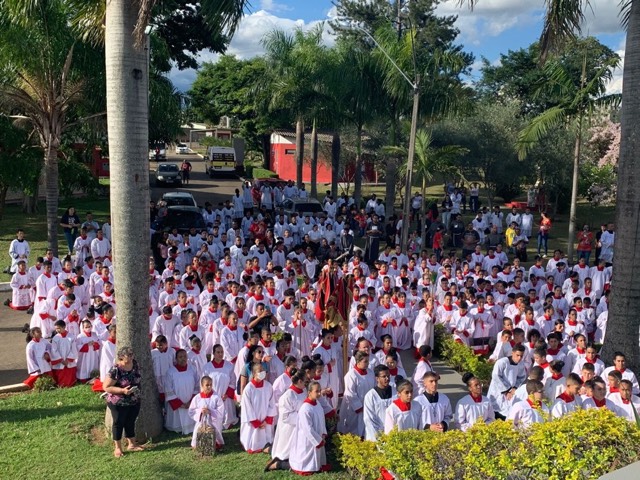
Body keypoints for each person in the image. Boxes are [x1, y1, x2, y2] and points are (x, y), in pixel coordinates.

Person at [103, 346, 144, 457]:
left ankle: (132, 444)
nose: (131, 357)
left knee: (130, 421)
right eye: (128, 356)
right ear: (121, 357)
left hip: (134, 399)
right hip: (118, 402)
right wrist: (122, 390)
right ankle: (118, 447)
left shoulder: (135, 364)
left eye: (132, 355)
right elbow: (106, 387)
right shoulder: (116, 370)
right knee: (118, 423)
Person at [288, 381, 330, 475]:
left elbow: (321, 419)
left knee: (317, 460)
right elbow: (308, 429)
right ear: (309, 392)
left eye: (320, 391)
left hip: (318, 436)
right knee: (306, 462)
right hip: (307, 440)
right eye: (316, 391)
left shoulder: (317, 404)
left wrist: (323, 434)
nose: (319, 393)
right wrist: (318, 441)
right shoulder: (305, 408)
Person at [268, 369, 307, 468]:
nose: (306, 383)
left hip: (301, 427)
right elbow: (286, 417)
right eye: (305, 381)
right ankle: (279, 463)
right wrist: (302, 417)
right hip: (289, 429)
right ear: (299, 381)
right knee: (287, 452)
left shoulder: (304, 391)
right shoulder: (287, 396)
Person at [240, 363, 276, 454]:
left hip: (265, 421)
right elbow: (247, 408)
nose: (263, 372)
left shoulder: (268, 386)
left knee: (267, 438)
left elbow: (272, 404)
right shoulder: (248, 389)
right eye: (260, 371)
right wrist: (256, 422)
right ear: (254, 373)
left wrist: (267, 419)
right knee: (254, 439)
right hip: (254, 423)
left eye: (263, 370)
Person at [338, 350, 375, 437]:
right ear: (358, 361)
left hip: (368, 405)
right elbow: (350, 393)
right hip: (354, 408)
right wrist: (359, 407)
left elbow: (374, 387)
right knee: (353, 428)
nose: (367, 363)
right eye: (365, 361)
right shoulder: (351, 375)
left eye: (368, 361)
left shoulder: (370, 372)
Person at [487, 344, 527, 419]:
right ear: (512, 353)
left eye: (521, 356)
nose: (519, 358)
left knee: (505, 414)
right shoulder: (502, 362)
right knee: (492, 413)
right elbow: (496, 376)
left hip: (510, 393)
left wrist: (514, 388)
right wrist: (507, 390)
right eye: (517, 355)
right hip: (497, 392)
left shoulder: (521, 364)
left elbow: (521, 377)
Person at [164, 349, 199, 435]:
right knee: (177, 422)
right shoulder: (170, 372)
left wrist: (191, 401)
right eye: (180, 357)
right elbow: (168, 389)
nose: (183, 359)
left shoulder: (193, 369)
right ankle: (177, 427)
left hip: (190, 402)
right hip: (177, 404)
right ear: (176, 359)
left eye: (185, 356)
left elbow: (197, 385)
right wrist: (180, 404)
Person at [188, 375, 225, 451]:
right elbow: (191, 411)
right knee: (197, 433)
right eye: (207, 385)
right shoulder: (197, 398)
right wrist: (200, 412)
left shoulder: (216, 397)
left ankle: (216, 443)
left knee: (214, 433)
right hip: (201, 422)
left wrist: (210, 411)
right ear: (202, 385)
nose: (209, 387)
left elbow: (221, 411)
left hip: (213, 422)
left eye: (211, 385)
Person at [363, 365, 395, 441]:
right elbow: (369, 419)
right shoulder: (370, 396)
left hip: (393, 434)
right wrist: (379, 436)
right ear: (377, 378)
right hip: (376, 436)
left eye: (388, 376)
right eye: (384, 376)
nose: (387, 379)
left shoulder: (396, 392)